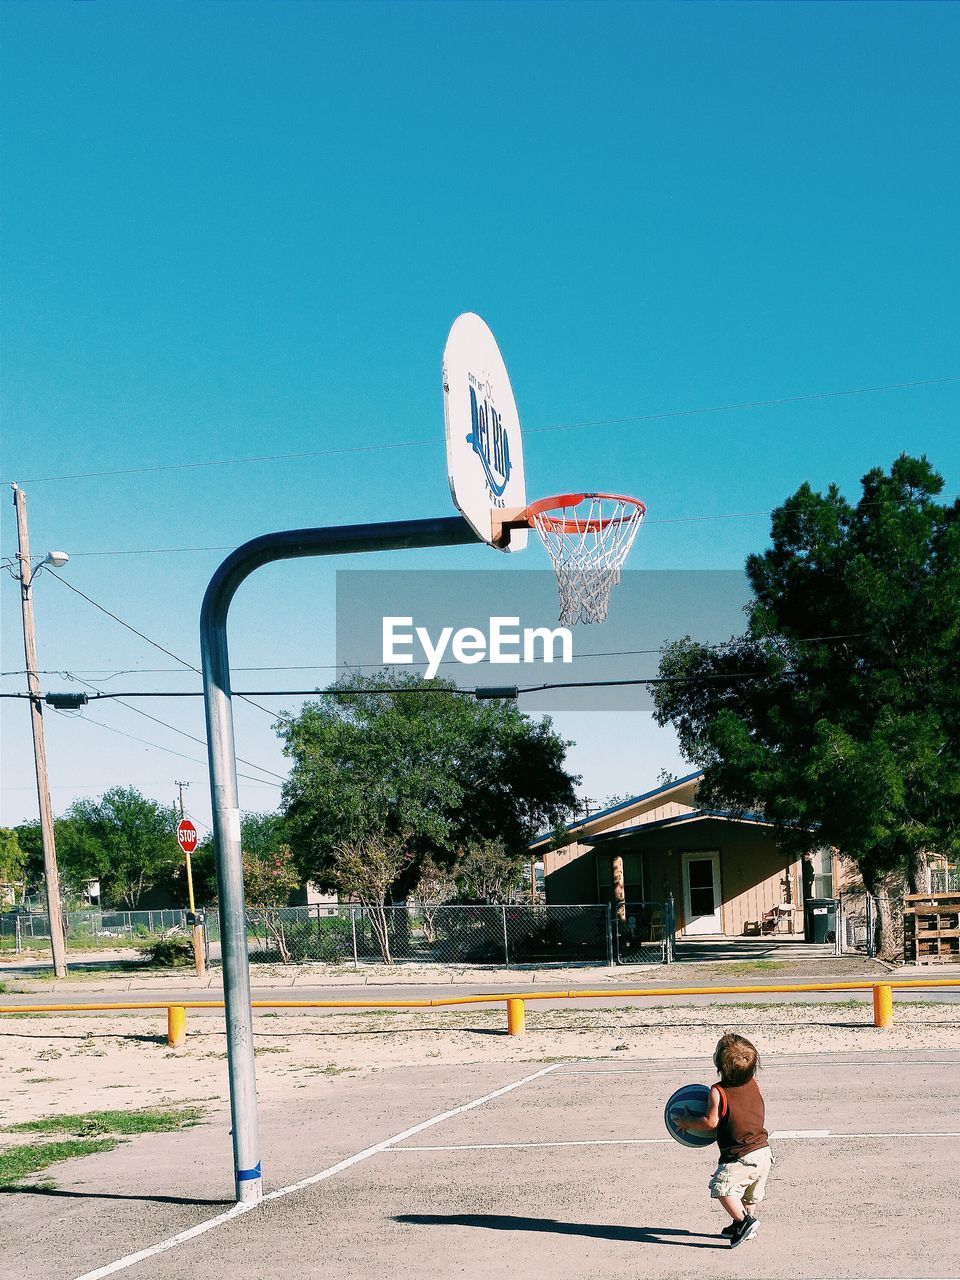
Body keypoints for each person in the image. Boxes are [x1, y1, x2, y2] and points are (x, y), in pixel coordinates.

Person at [676, 1032, 772, 1248]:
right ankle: (742, 1224)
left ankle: (744, 1222)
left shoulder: (718, 1091)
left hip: (741, 1156)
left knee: (722, 1188)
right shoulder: (754, 1083)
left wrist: (687, 1121)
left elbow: (710, 1122)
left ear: (720, 1065)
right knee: (748, 1193)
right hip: (763, 1151)